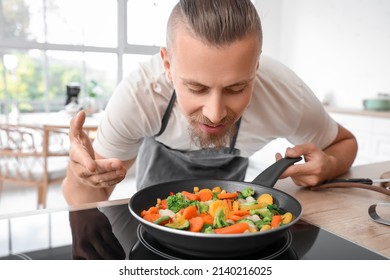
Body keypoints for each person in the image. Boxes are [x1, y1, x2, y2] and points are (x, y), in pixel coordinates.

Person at [63, 0, 357, 210]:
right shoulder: (139, 96)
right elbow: (84, 202)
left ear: (256, 65)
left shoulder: (285, 93)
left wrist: (329, 164)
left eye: (236, 88)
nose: (214, 114)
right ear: (167, 64)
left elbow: (345, 143)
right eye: (196, 88)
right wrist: (80, 177)